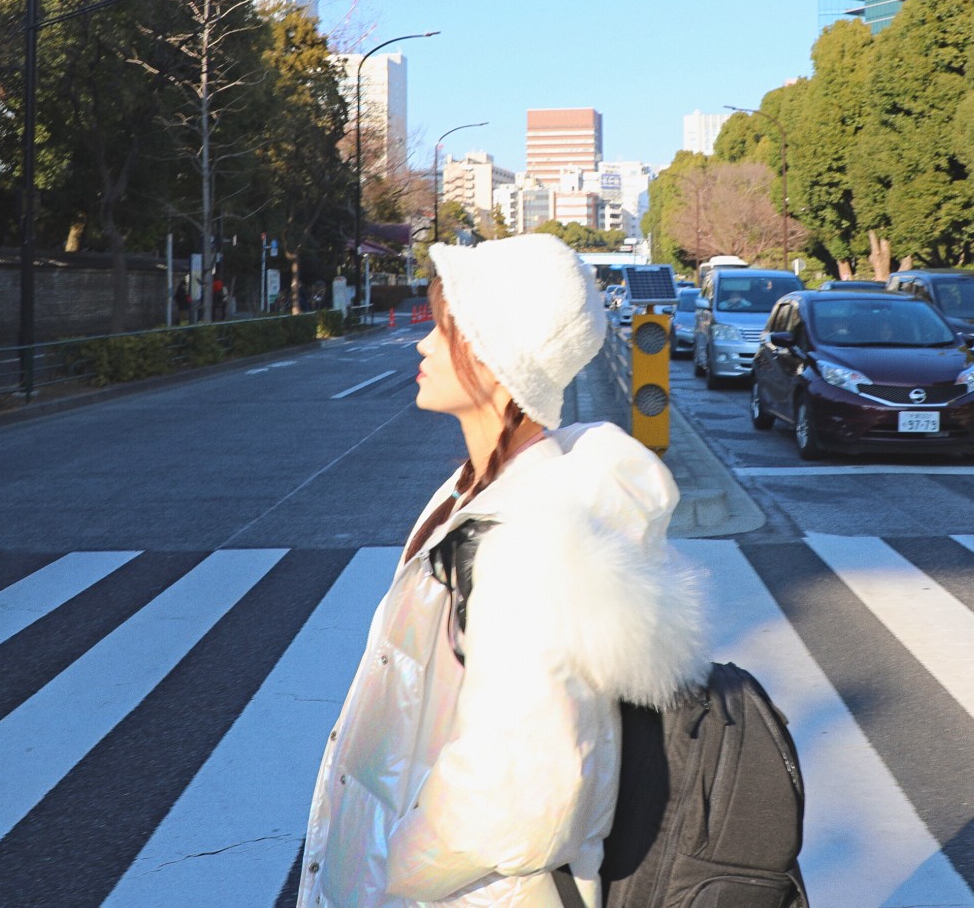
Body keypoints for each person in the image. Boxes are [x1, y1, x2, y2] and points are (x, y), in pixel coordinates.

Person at [299, 234, 708, 907]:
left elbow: (523, 796)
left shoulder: (530, 541)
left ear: (495, 360)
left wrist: (383, 871)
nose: (423, 346)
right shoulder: (488, 496)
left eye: (445, 329)